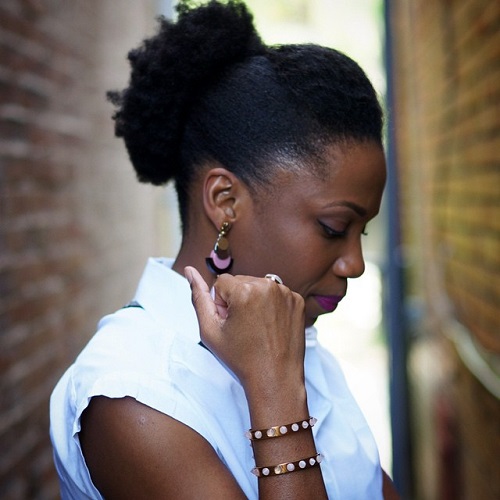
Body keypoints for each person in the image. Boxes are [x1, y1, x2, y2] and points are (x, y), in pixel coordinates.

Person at [50, 0, 400, 498]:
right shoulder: (134, 393)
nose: (356, 265)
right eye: (332, 227)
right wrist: (276, 392)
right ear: (225, 201)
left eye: (360, 232)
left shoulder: (294, 337)